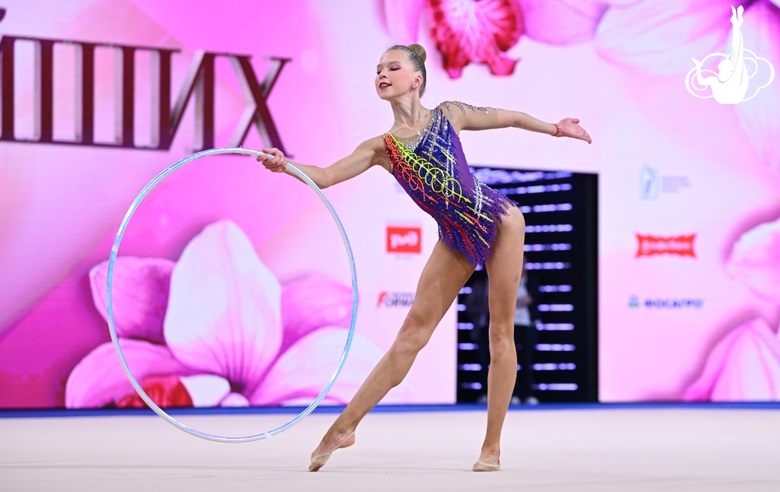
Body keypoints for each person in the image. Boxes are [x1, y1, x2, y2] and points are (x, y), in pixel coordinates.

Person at [258, 43, 591, 472]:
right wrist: (286, 166)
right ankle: (344, 426)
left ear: (417, 79)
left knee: (500, 334)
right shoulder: (381, 148)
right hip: (454, 236)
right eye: (377, 69)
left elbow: (509, 117)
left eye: (391, 67)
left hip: (500, 221)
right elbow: (324, 176)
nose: (381, 74)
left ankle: (491, 447)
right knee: (412, 332)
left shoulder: (449, 114)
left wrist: (555, 128)